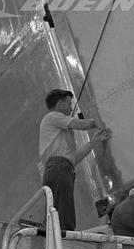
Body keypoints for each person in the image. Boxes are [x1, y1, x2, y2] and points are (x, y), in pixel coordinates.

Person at [39, 89, 111, 231]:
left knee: (59, 209)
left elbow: (73, 159)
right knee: (64, 211)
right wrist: (97, 120)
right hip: (59, 168)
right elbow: (82, 125)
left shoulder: (58, 133)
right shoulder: (53, 117)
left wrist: (94, 141)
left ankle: (58, 233)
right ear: (59, 103)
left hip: (62, 168)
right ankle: (63, 235)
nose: (71, 108)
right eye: (69, 104)